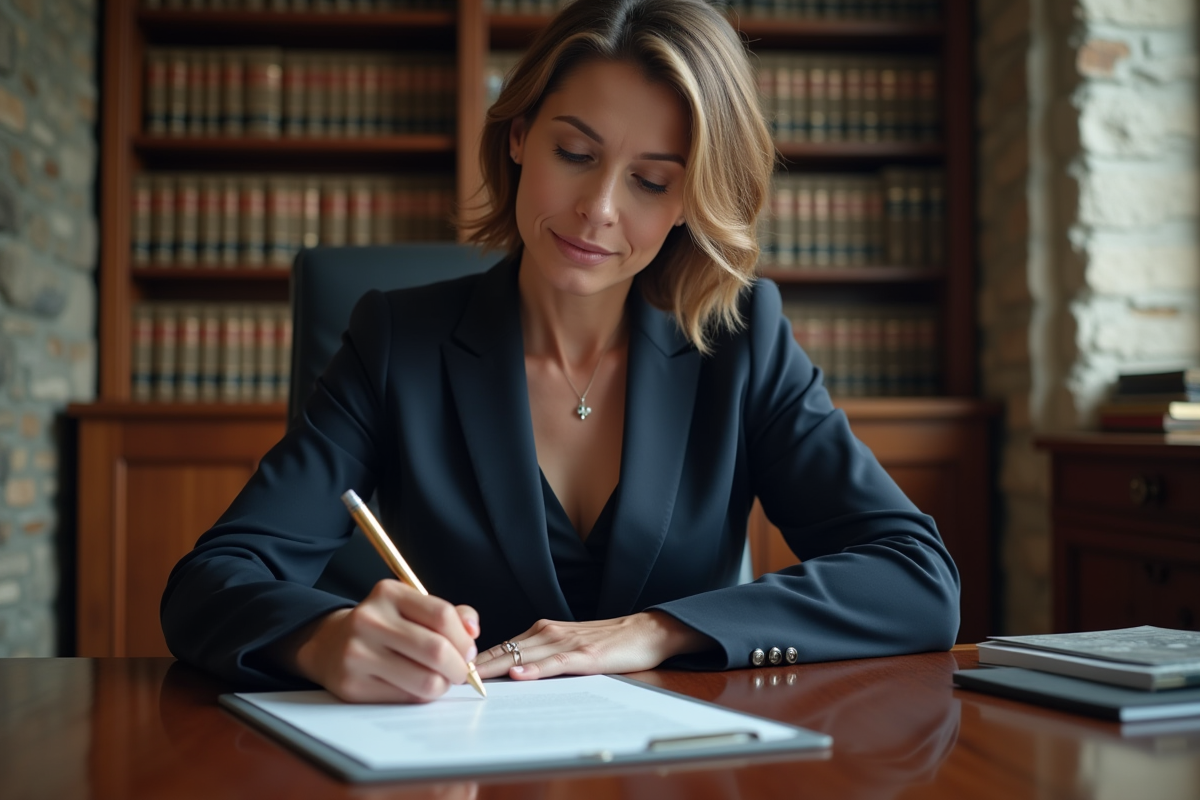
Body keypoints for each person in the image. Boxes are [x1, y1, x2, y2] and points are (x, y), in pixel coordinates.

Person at [161, 0, 960, 703]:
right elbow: (211, 583)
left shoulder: (742, 342)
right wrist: (323, 638)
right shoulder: (397, 343)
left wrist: (655, 631)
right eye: (574, 154)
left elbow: (917, 578)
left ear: (691, 201)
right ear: (518, 137)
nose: (598, 209)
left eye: (651, 181)